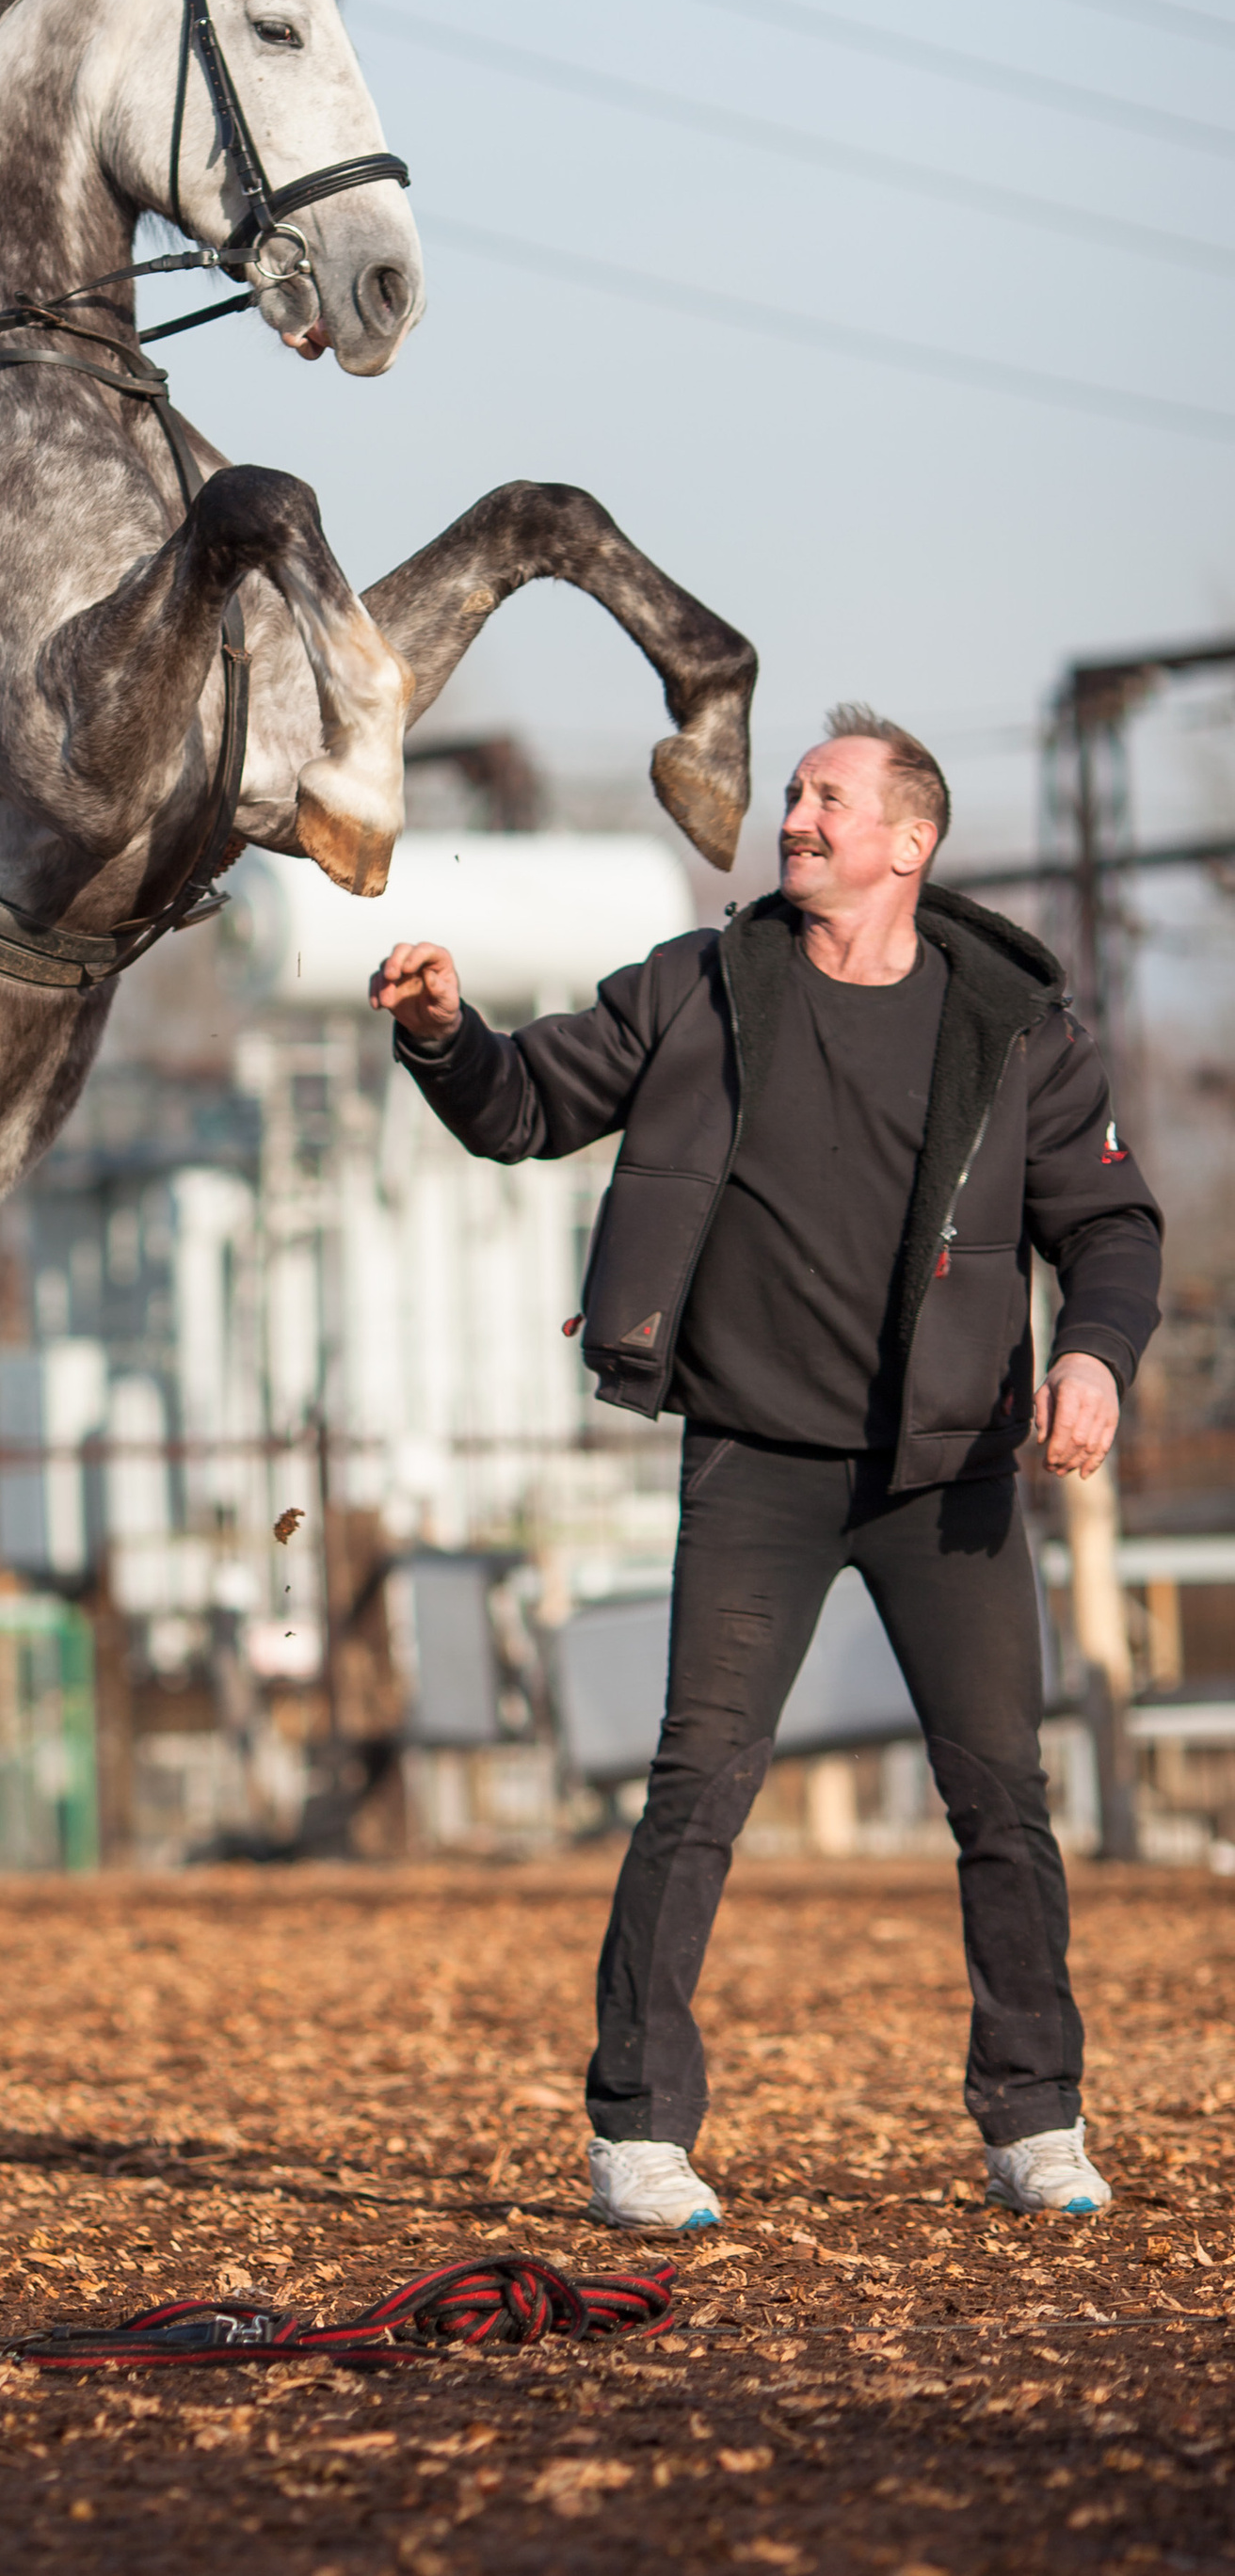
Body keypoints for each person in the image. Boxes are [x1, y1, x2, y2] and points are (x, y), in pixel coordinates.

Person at [370, 708, 1162, 2230]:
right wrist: (444, 1038)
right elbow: (526, 1107)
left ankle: (1037, 2119)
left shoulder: (1017, 1031)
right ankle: (639, 2133)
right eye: (794, 792)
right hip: (756, 1460)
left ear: (910, 842)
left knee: (1002, 1794)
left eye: (826, 798)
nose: (792, 816)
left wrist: (1094, 1358)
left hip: (950, 1473)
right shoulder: (699, 986)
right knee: (698, 1786)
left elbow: (1114, 1229)